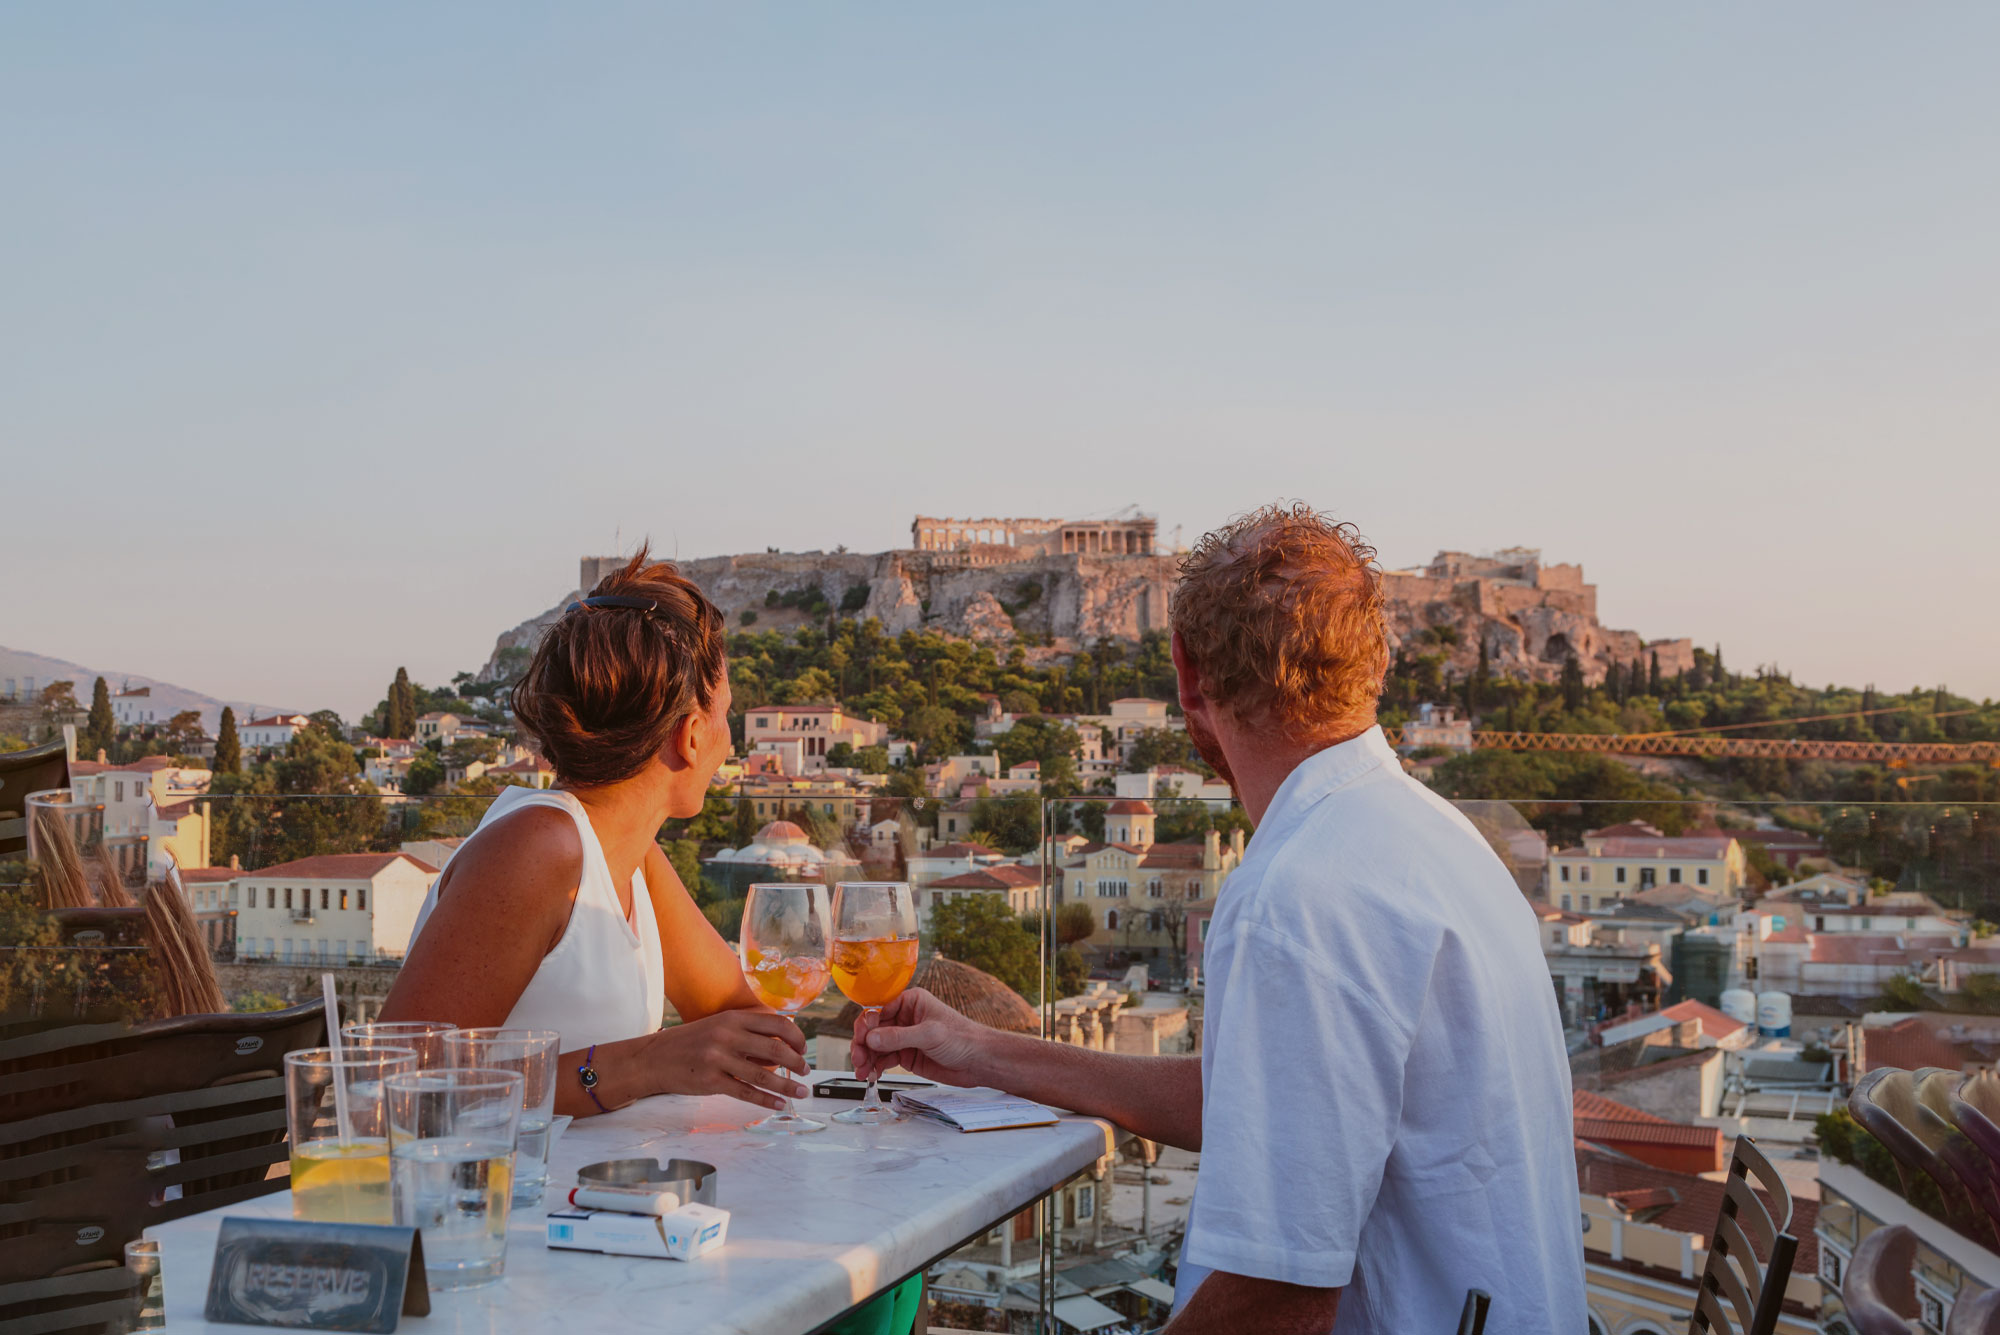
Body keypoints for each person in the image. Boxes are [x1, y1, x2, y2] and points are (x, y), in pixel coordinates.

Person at [855, 505, 1586, 1333]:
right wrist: (983, 1051)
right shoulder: (1440, 840)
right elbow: (1253, 1098)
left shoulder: (1300, 893)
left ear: (1187, 675)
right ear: (1376, 663)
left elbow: (1283, 1299)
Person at [382, 547, 807, 1119]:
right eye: (726, 715)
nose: (731, 745)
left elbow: (742, 1016)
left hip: (590, 1198)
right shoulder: (535, 847)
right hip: (489, 1202)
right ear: (690, 735)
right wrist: (643, 1064)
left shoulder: (627, 854)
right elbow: (403, 1080)